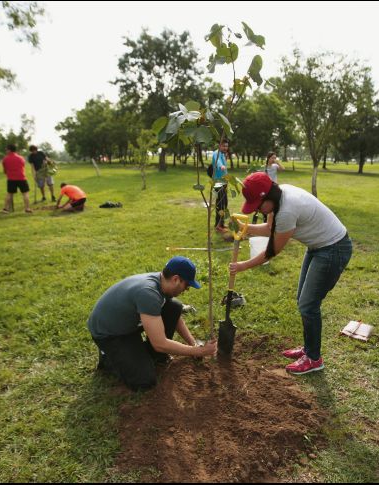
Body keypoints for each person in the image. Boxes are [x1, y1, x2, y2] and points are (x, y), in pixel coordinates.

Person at [229, 172, 352, 375]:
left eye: (258, 205)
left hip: (333, 249)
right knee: (303, 300)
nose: (257, 210)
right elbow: (271, 228)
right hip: (319, 247)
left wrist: (244, 265)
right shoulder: (279, 197)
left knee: (308, 305)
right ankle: (308, 349)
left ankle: (314, 359)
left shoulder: (286, 210)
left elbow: (272, 251)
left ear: (268, 196)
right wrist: (245, 228)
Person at [87, 257, 218, 391]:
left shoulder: (162, 282)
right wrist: (198, 351)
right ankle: (108, 357)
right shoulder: (148, 293)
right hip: (110, 333)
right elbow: (159, 344)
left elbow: (175, 318)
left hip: (127, 320)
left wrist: (193, 343)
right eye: (187, 285)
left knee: (174, 307)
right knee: (144, 380)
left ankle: (147, 354)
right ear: (176, 279)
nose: (187, 289)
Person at [1, 144, 32, 214]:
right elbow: (23, 167)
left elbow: (4, 171)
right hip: (21, 178)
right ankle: (27, 208)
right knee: (25, 193)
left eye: (6, 149)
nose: (6, 151)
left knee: (9, 194)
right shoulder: (21, 158)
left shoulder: (5, 159)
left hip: (11, 179)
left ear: (9, 150)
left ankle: (5, 209)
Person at [211, 139, 230, 232]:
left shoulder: (223, 154)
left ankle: (221, 224)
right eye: (224, 146)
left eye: (226, 146)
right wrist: (221, 166)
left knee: (224, 203)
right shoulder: (216, 153)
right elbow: (218, 161)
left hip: (224, 182)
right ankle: (218, 226)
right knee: (220, 204)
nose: (225, 148)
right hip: (218, 183)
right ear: (219, 146)